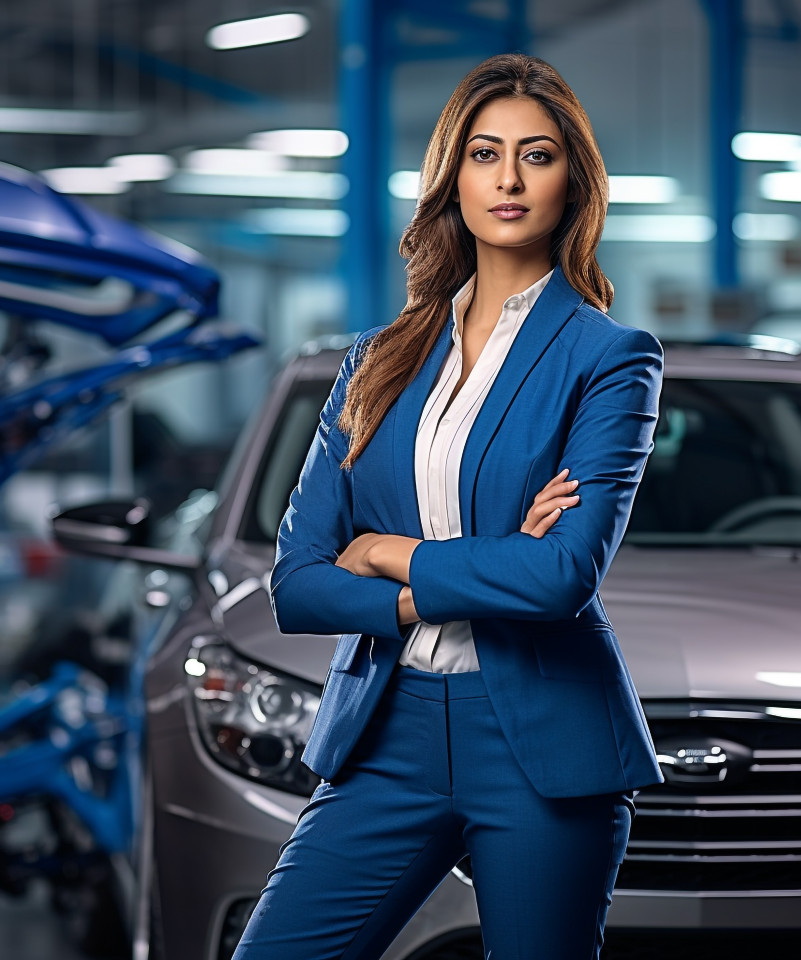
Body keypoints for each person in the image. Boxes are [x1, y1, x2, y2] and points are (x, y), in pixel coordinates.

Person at [233, 52, 664, 960]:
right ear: (452, 178)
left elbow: (559, 577)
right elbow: (298, 583)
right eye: (484, 154)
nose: (509, 180)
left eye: (537, 155)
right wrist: (460, 577)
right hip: (386, 732)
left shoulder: (611, 358)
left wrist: (383, 551)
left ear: (573, 182)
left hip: (541, 745)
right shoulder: (375, 360)